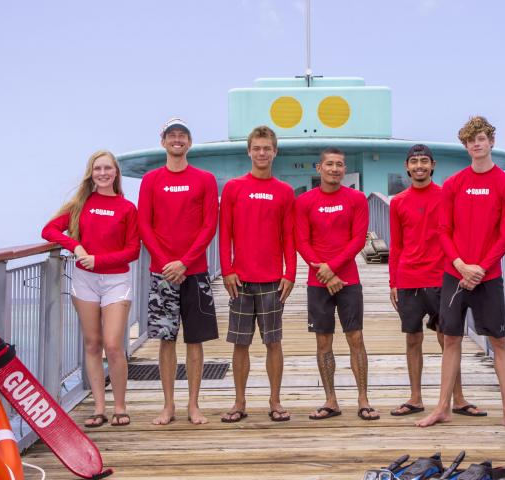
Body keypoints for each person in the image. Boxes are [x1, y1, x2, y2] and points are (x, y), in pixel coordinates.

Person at [416, 116, 505, 430]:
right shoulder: (454, 184)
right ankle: (442, 407)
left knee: (499, 342)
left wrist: (480, 268)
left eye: (480, 139)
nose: (476, 144)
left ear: (491, 142)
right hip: (455, 274)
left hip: (488, 277)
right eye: (470, 141)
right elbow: (443, 229)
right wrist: (460, 265)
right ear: (465, 147)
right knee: (450, 339)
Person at [41, 150, 139, 428]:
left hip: (116, 281)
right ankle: (99, 408)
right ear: (91, 173)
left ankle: (120, 406)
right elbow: (48, 231)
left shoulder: (127, 208)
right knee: (93, 343)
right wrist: (76, 247)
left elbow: (133, 250)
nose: (103, 173)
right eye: (98, 168)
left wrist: (99, 260)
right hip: (85, 280)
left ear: (116, 173)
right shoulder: (80, 205)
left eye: (108, 168)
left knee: (113, 344)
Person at [388, 144, 481, 418]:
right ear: (407, 166)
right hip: (409, 278)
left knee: (448, 339)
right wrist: (393, 281)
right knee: (413, 338)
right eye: (414, 161)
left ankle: (458, 398)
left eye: (424, 161)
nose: (419, 166)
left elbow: (459, 234)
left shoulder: (446, 196)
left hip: (443, 277)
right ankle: (415, 398)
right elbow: (396, 245)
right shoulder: (398, 202)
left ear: (433, 165)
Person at [138, 118, 219, 425]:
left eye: (182, 135)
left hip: (195, 272)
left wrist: (184, 262)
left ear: (189, 142)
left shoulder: (205, 179)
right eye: (171, 135)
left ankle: (193, 405)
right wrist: (166, 263)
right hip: (162, 274)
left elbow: (209, 225)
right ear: (163, 142)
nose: (177, 139)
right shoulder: (151, 180)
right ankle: (168, 405)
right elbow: (144, 225)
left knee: (195, 341)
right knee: (166, 340)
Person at [218, 126, 297, 423]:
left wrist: (290, 273)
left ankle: (275, 401)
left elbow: (289, 236)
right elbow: (224, 233)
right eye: (257, 148)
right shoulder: (233, 188)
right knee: (240, 343)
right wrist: (227, 270)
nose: (262, 153)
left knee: (273, 342)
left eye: (267, 148)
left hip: (272, 280)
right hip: (240, 280)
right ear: (249, 151)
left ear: (275, 152)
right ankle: (239, 402)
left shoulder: (285, 191)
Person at [295, 147, 379, 421]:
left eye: (339, 165)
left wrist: (332, 268)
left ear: (344, 169)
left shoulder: (356, 199)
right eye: (329, 164)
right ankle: (330, 400)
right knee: (323, 341)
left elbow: (358, 239)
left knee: (356, 338)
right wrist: (325, 273)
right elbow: (301, 241)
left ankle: (363, 399)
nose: (334, 169)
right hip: (318, 281)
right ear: (319, 168)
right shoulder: (304, 201)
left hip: (348, 279)